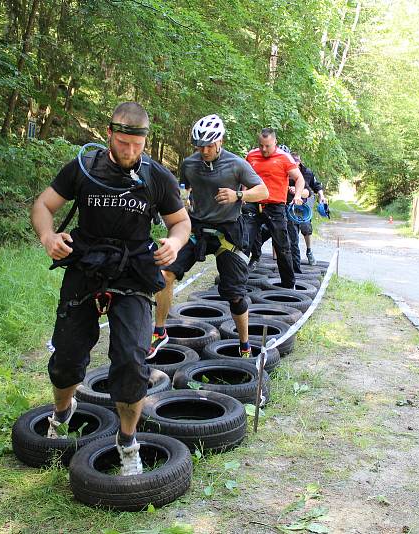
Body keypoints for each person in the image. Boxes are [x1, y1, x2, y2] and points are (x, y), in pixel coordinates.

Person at [30, 102, 190, 476]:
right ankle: (62, 411)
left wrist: (175, 243)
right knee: (67, 356)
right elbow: (43, 205)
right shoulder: (84, 168)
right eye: (122, 143)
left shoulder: (157, 177)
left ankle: (128, 440)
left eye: (136, 146)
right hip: (86, 262)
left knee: (132, 362)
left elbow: (180, 222)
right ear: (109, 136)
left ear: (145, 142)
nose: (129, 152)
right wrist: (47, 236)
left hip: (133, 268)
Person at [150, 114, 269, 358]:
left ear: (220, 141)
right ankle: (159, 331)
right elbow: (184, 187)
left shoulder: (236, 164)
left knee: (234, 294)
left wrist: (238, 196)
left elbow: (263, 191)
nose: (204, 150)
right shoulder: (189, 164)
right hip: (196, 229)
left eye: (208, 145)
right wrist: (183, 199)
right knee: (164, 273)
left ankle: (244, 345)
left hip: (229, 231)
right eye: (199, 146)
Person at [243, 130, 305, 288]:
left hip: (275, 206)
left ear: (275, 143)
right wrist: (243, 193)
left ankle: (288, 284)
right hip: (253, 204)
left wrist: (297, 195)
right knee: (244, 243)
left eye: (268, 146)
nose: (264, 149)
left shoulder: (284, 158)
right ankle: (235, 281)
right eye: (261, 146)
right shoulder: (251, 156)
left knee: (282, 246)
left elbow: (299, 178)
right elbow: (243, 176)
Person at [289, 152, 326, 269]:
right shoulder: (286, 171)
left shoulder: (307, 173)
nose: (294, 164)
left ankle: (309, 251)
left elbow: (316, 186)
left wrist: (321, 196)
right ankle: (291, 258)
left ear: (299, 162)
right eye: (292, 162)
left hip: (304, 205)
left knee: (306, 227)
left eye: (296, 162)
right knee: (291, 231)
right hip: (290, 205)